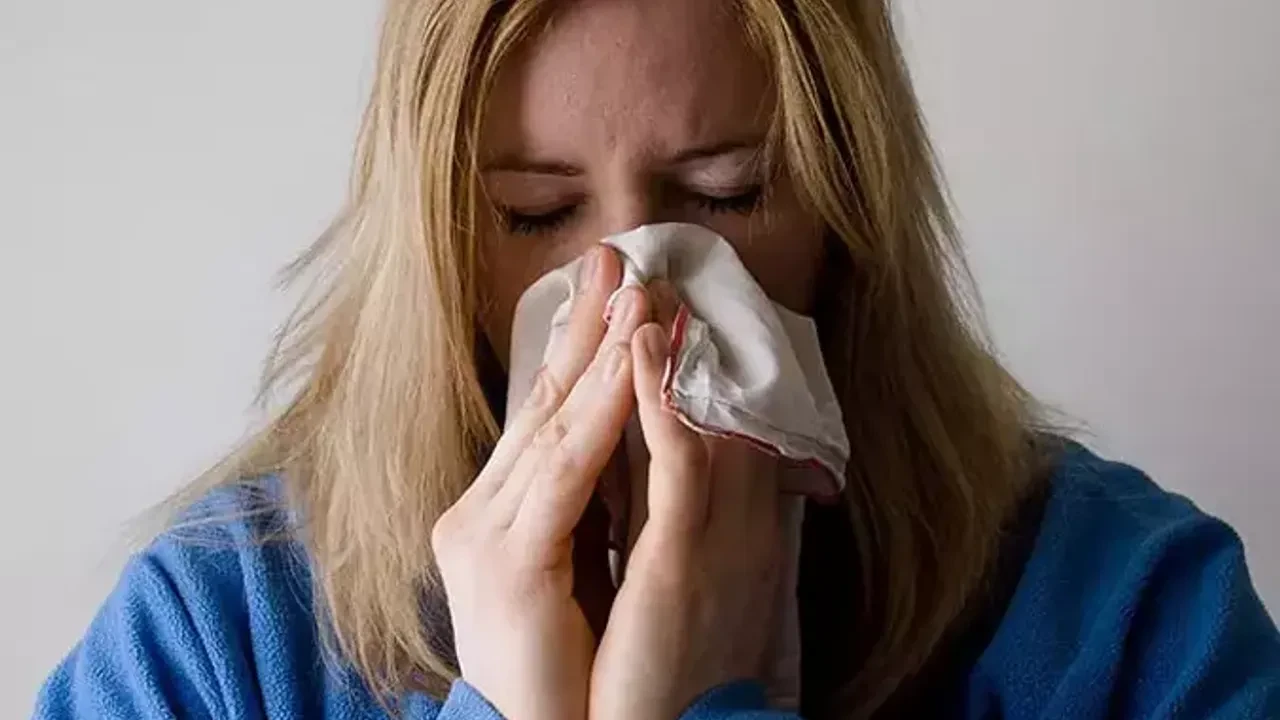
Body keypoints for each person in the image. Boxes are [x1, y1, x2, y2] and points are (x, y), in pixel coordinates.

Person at [33, 0, 1280, 718]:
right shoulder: (215, 643)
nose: (629, 302)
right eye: (533, 213)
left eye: (726, 197)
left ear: (848, 210)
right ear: (436, 242)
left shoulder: (1127, 616)